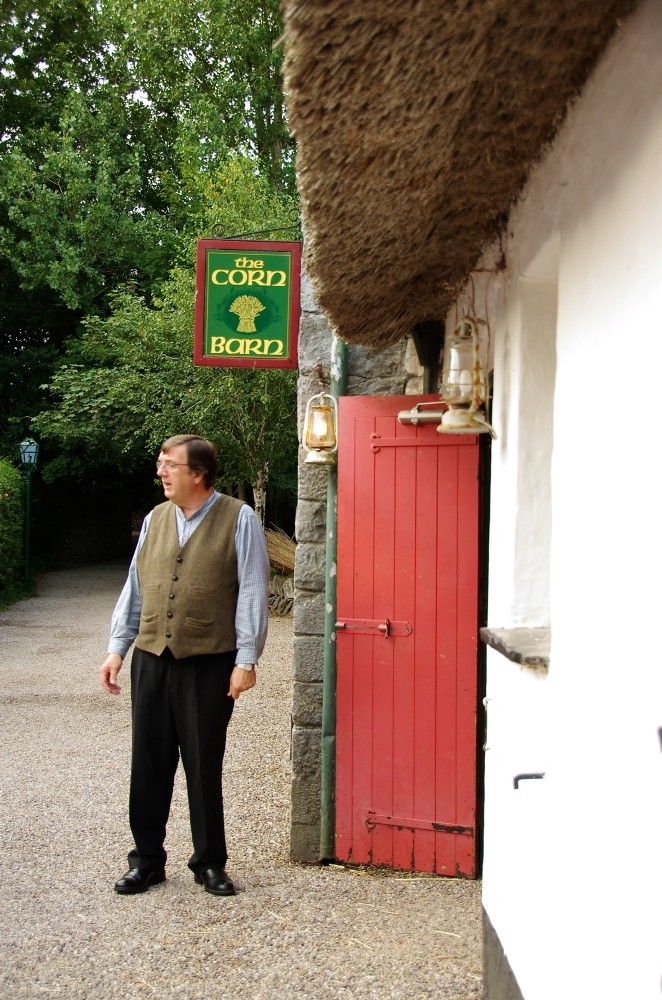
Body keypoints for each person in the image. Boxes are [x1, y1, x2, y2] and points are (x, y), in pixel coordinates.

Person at [99, 434, 270, 897]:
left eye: (169, 464)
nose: (161, 472)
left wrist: (246, 659)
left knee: (202, 765)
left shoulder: (239, 517)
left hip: (208, 662)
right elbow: (136, 587)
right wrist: (117, 648)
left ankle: (209, 863)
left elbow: (252, 591)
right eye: (160, 463)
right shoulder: (155, 518)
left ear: (198, 473)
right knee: (148, 764)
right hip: (152, 658)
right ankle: (146, 861)